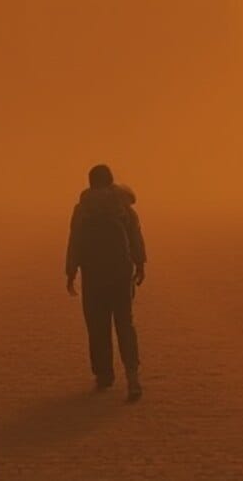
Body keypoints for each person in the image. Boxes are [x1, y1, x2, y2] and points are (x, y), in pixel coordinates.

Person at [65, 163, 147, 401]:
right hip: (120, 273)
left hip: (94, 275)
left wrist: (71, 272)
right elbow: (135, 237)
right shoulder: (123, 208)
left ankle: (104, 375)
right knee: (124, 323)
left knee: (97, 325)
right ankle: (132, 375)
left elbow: (75, 241)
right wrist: (140, 264)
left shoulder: (83, 209)